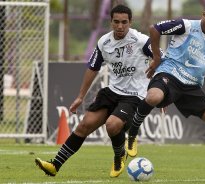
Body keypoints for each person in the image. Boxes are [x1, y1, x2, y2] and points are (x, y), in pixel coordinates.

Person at [125, 3, 205, 183]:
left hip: (191, 86)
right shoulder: (187, 26)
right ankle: (133, 134)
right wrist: (157, 57)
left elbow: (201, 69)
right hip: (170, 73)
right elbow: (155, 29)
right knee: (153, 97)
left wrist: (176, 96)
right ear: (203, 14)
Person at [35, 4, 154, 178]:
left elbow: (162, 59)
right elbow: (93, 68)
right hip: (112, 91)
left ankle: (119, 154)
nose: (120, 26)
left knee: (112, 125)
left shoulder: (141, 41)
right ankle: (55, 165)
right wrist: (80, 96)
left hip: (135, 95)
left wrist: (161, 90)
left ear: (130, 22)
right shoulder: (104, 42)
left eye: (124, 22)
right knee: (84, 125)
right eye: (116, 22)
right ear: (110, 21)